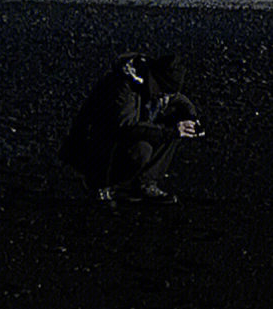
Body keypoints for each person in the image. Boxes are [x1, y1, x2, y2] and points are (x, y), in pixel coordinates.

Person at [59, 52, 203, 205]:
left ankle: (144, 183)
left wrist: (191, 118)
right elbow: (124, 127)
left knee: (177, 125)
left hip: (123, 136)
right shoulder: (124, 86)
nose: (164, 98)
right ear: (154, 78)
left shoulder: (157, 83)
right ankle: (102, 185)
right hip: (96, 144)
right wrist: (170, 131)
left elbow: (180, 99)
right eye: (163, 92)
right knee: (143, 149)